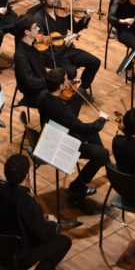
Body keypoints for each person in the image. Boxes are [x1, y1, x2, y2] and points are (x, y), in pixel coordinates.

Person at [0, 154, 72, 270]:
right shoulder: (27, 201)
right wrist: (53, 224)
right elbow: (42, 236)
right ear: (26, 176)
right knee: (64, 241)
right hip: (18, 255)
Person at [39, 68, 109, 199]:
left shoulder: (43, 96)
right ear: (60, 85)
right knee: (102, 154)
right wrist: (101, 120)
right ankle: (78, 185)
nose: (68, 82)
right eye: (66, 80)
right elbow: (82, 129)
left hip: (51, 133)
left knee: (93, 136)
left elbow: (61, 112)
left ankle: (108, 166)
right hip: (60, 143)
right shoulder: (61, 109)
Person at [33, 0, 99, 102]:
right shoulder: (39, 18)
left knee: (94, 62)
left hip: (68, 50)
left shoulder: (63, 12)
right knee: (71, 71)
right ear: (43, 0)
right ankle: (67, 93)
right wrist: (63, 41)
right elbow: (41, 43)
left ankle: (81, 91)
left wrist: (86, 17)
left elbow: (75, 28)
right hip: (53, 55)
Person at [13, 14, 50, 109]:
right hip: (34, 95)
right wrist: (51, 82)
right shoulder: (20, 55)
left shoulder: (34, 46)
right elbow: (30, 82)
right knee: (57, 101)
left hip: (43, 86)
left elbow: (45, 64)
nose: (38, 29)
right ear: (27, 32)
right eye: (35, 27)